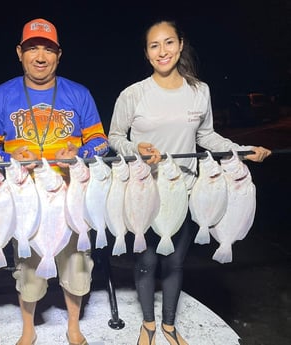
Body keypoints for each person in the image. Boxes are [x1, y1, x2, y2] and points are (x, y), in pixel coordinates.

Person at [108, 19, 271, 345]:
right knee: (146, 261)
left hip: (184, 191)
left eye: (169, 42)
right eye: (154, 45)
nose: (162, 51)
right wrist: (136, 148)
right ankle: (149, 325)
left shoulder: (200, 91)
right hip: (144, 190)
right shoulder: (134, 94)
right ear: (146, 53)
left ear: (180, 45)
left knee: (175, 262)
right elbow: (114, 137)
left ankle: (169, 326)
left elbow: (206, 136)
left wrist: (243, 150)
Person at [0, 18, 109, 345]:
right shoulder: (0, 95)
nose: (40, 56)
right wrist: (10, 159)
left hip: (71, 195)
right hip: (23, 197)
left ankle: (73, 327)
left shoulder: (79, 93)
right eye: (33, 48)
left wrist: (79, 154)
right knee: (27, 268)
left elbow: (101, 142)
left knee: (77, 265)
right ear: (19, 53)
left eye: (48, 49)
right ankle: (28, 328)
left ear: (59, 55)